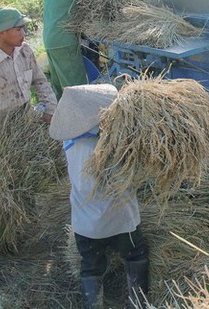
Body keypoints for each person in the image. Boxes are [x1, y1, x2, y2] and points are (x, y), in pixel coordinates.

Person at [49, 84, 149, 309]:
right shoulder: (110, 147)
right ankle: (138, 304)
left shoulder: (71, 144)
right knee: (136, 255)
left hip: (86, 227)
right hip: (122, 221)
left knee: (91, 267)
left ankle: (94, 304)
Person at [0, 7, 57, 152]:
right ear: (3, 32)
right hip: (2, 129)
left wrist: (50, 109)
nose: (24, 33)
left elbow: (40, 81)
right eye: (18, 29)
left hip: (27, 118)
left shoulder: (25, 51)